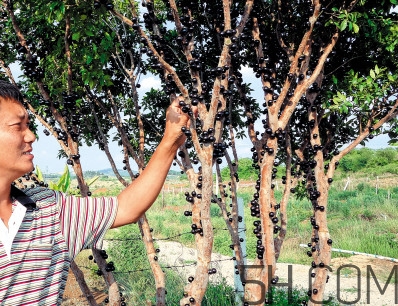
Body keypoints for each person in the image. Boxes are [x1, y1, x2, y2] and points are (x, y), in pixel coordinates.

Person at [0, 80, 191, 305]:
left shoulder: (50, 209)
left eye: (28, 125)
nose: (31, 136)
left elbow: (126, 208)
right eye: (17, 126)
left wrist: (170, 141)